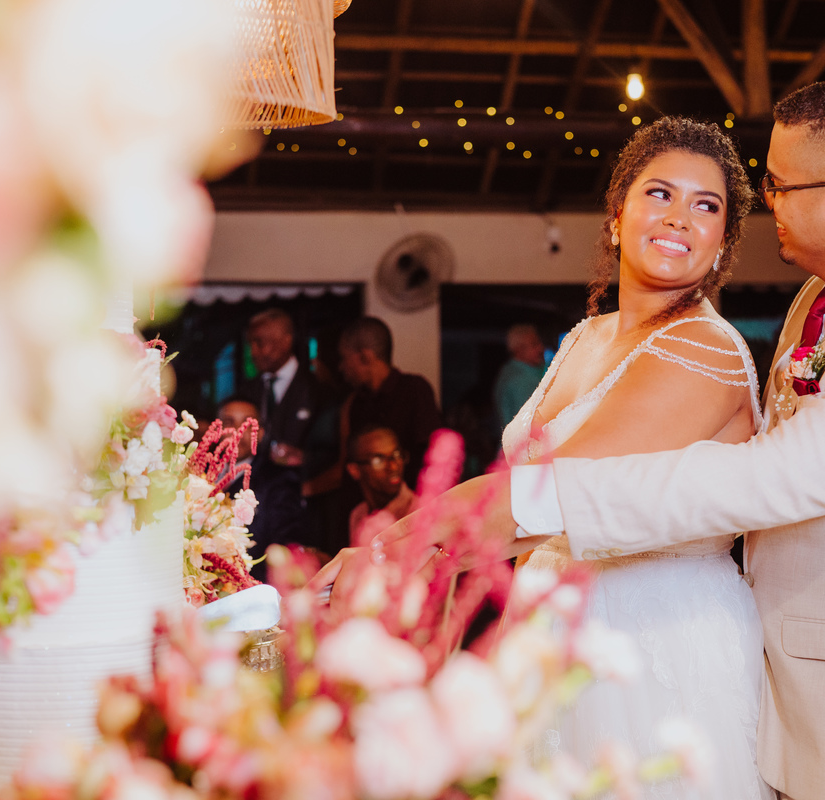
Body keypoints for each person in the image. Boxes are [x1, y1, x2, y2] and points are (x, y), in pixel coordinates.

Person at [325, 73, 825, 800]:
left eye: (778, 186)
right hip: (775, 675)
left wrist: (504, 510)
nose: (768, 202)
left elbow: (759, 479)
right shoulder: (822, 299)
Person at [324, 116, 772, 798]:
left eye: (705, 206)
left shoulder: (701, 352)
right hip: (549, 621)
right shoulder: (586, 337)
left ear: (721, 243)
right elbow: (520, 502)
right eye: (659, 194)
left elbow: (542, 496)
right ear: (616, 218)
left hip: (650, 638)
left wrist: (385, 553)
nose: (680, 217)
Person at [243, 309, 326, 565]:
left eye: (260, 342)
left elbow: (337, 453)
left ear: (286, 340)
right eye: (251, 344)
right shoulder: (250, 389)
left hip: (308, 507)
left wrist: (306, 458)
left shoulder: (318, 390)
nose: (254, 352)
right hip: (260, 511)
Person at [339, 317, 442, 488]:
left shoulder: (414, 389)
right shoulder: (357, 402)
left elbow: (433, 455)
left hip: (413, 506)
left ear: (365, 356)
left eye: (344, 358)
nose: (341, 367)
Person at [345, 426, 416, 548]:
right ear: (354, 470)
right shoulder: (358, 515)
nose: (393, 467)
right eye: (378, 460)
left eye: (397, 455)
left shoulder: (417, 512)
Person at [493, 324, 546, 434]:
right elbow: (530, 426)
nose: (541, 348)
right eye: (534, 344)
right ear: (519, 349)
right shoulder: (521, 380)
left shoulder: (511, 371)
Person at [214, 395, 259, 496]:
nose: (238, 432)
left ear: (260, 433)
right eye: (229, 422)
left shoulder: (278, 481)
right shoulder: (199, 472)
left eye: (247, 425)